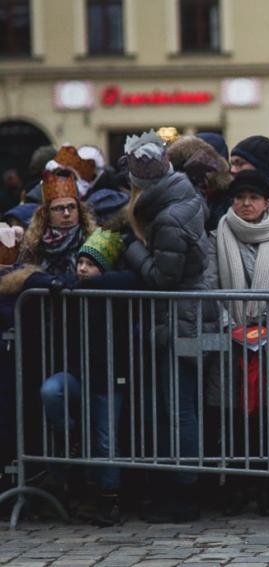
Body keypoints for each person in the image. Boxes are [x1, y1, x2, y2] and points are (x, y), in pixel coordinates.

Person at [121, 130, 209, 523]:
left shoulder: (169, 217)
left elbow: (163, 277)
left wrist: (132, 249)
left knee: (178, 408)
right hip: (182, 317)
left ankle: (184, 492)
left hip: (180, 320)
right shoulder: (180, 198)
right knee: (178, 405)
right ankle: (179, 487)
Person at [203, 169, 269, 517]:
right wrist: (231, 323)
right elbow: (210, 286)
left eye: (253, 198)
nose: (246, 203)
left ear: (267, 203)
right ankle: (234, 487)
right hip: (230, 341)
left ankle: (267, 487)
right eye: (240, 197)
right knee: (231, 417)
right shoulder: (217, 238)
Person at [38, 228, 134, 527]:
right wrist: (69, 282)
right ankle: (72, 436)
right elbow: (32, 279)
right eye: (80, 263)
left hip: (109, 377)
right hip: (79, 374)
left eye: (90, 264)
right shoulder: (71, 287)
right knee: (51, 391)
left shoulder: (114, 289)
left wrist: (93, 281)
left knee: (107, 439)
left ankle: (109, 498)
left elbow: (132, 279)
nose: (82, 269)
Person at [17, 172, 98, 276]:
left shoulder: (93, 241)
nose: (67, 214)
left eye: (72, 207)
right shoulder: (33, 245)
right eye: (59, 208)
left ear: (79, 210)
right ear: (47, 214)